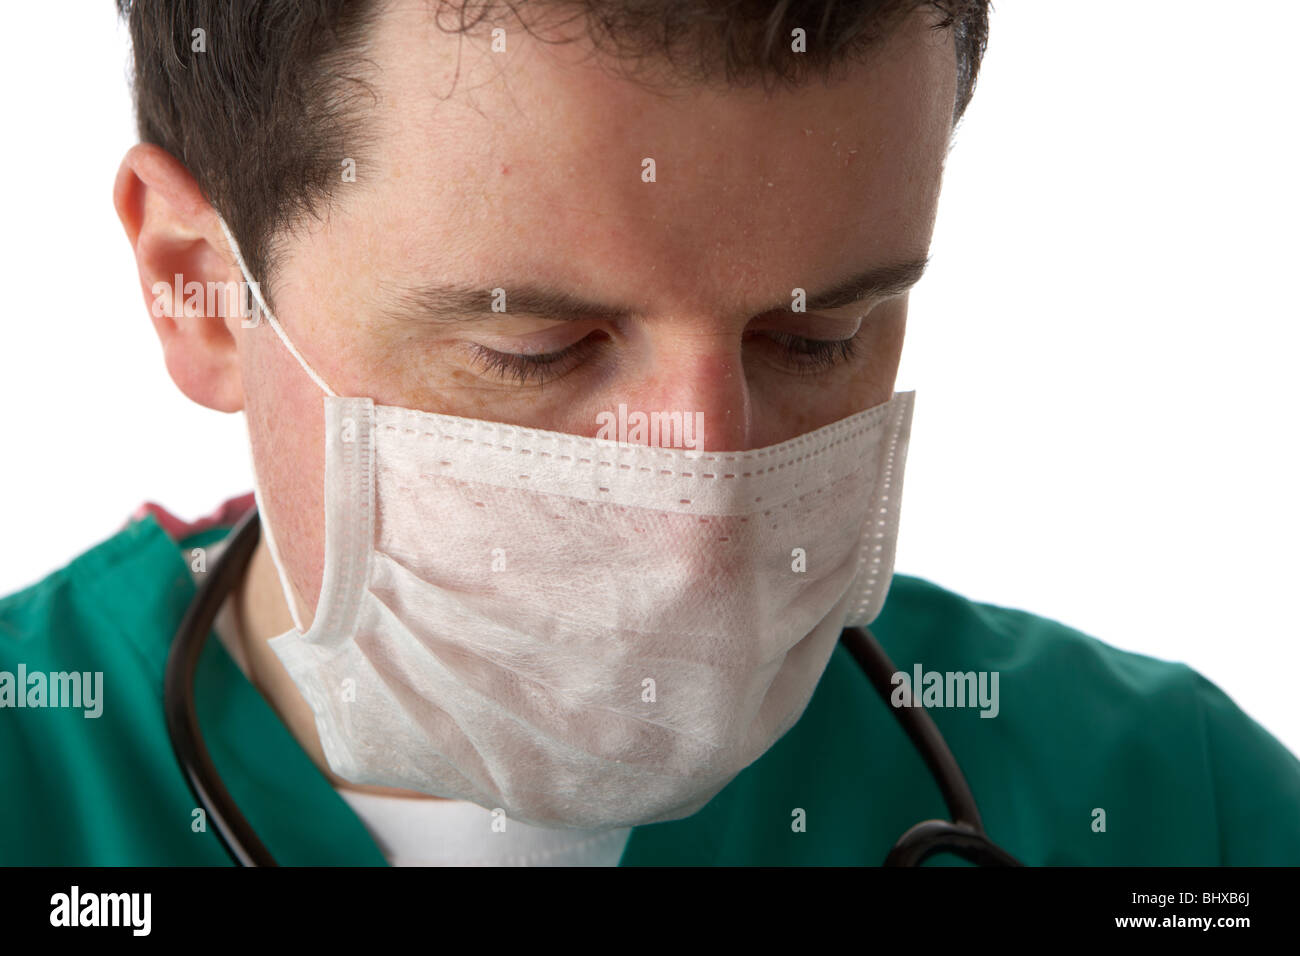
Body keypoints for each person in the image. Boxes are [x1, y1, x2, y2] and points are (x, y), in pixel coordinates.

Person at [1, 0, 1297, 867]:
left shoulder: (1177, 811)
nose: (703, 524)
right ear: (203, 290)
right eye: (537, 350)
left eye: (816, 339)